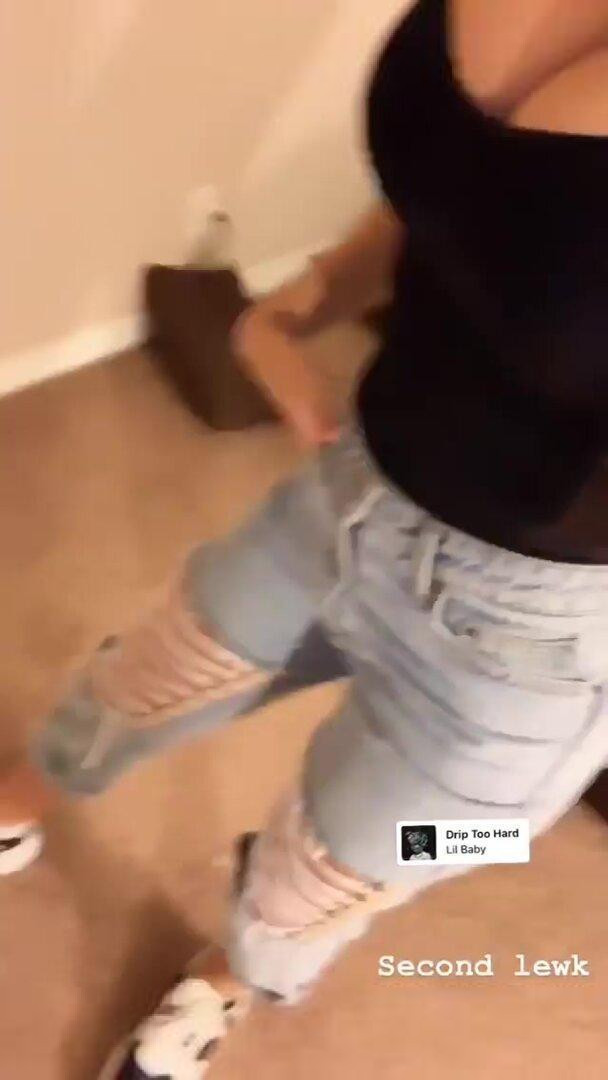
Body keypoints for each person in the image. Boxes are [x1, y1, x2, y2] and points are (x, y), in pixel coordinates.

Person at [4, 0, 608, 1074]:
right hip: (350, 490)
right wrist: (317, 291)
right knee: (140, 679)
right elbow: (473, 191)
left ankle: (235, 978)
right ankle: (20, 800)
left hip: (540, 645)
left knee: (376, 864)